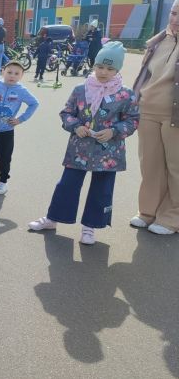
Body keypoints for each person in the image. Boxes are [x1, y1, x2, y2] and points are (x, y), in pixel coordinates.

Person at [29, 42, 139, 244]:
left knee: (102, 188)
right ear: (94, 65)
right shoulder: (81, 89)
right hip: (79, 148)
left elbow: (133, 119)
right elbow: (66, 112)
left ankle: (90, 227)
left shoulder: (126, 94)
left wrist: (113, 131)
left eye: (110, 68)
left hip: (108, 153)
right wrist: (75, 126)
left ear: (117, 69)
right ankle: (53, 218)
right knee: (67, 184)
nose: (103, 72)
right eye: (100, 66)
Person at [131, 0, 179, 235]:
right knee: (150, 165)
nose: (176, 19)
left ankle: (172, 217)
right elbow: (145, 76)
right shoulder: (160, 40)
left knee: (176, 166)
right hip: (147, 109)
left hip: (176, 113)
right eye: (173, 13)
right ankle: (148, 211)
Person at [0, 60, 39, 195]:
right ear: (3, 72)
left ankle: (3, 182)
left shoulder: (21, 90)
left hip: (7, 131)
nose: (12, 76)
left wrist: (20, 119)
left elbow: (34, 103)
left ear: (21, 76)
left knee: (5, 157)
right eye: (9, 72)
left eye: (16, 73)